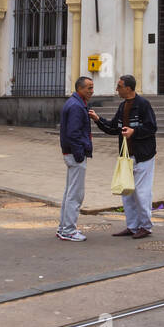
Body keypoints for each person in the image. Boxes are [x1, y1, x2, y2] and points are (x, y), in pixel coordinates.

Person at [92, 74, 158, 239]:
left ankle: (145, 226)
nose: (117, 89)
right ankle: (132, 226)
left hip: (143, 156)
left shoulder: (143, 105)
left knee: (142, 193)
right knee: (127, 192)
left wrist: (134, 132)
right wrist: (98, 119)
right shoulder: (123, 106)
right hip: (127, 157)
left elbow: (151, 128)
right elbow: (114, 128)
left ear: (128, 88)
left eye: (119, 86)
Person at [56, 76, 95, 242]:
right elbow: (73, 133)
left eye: (92, 88)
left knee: (70, 192)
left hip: (71, 153)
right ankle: (69, 230)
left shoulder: (76, 103)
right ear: (80, 89)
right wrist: (80, 154)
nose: (92, 91)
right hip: (75, 154)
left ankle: (64, 228)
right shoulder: (76, 106)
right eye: (89, 88)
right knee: (75, 194)